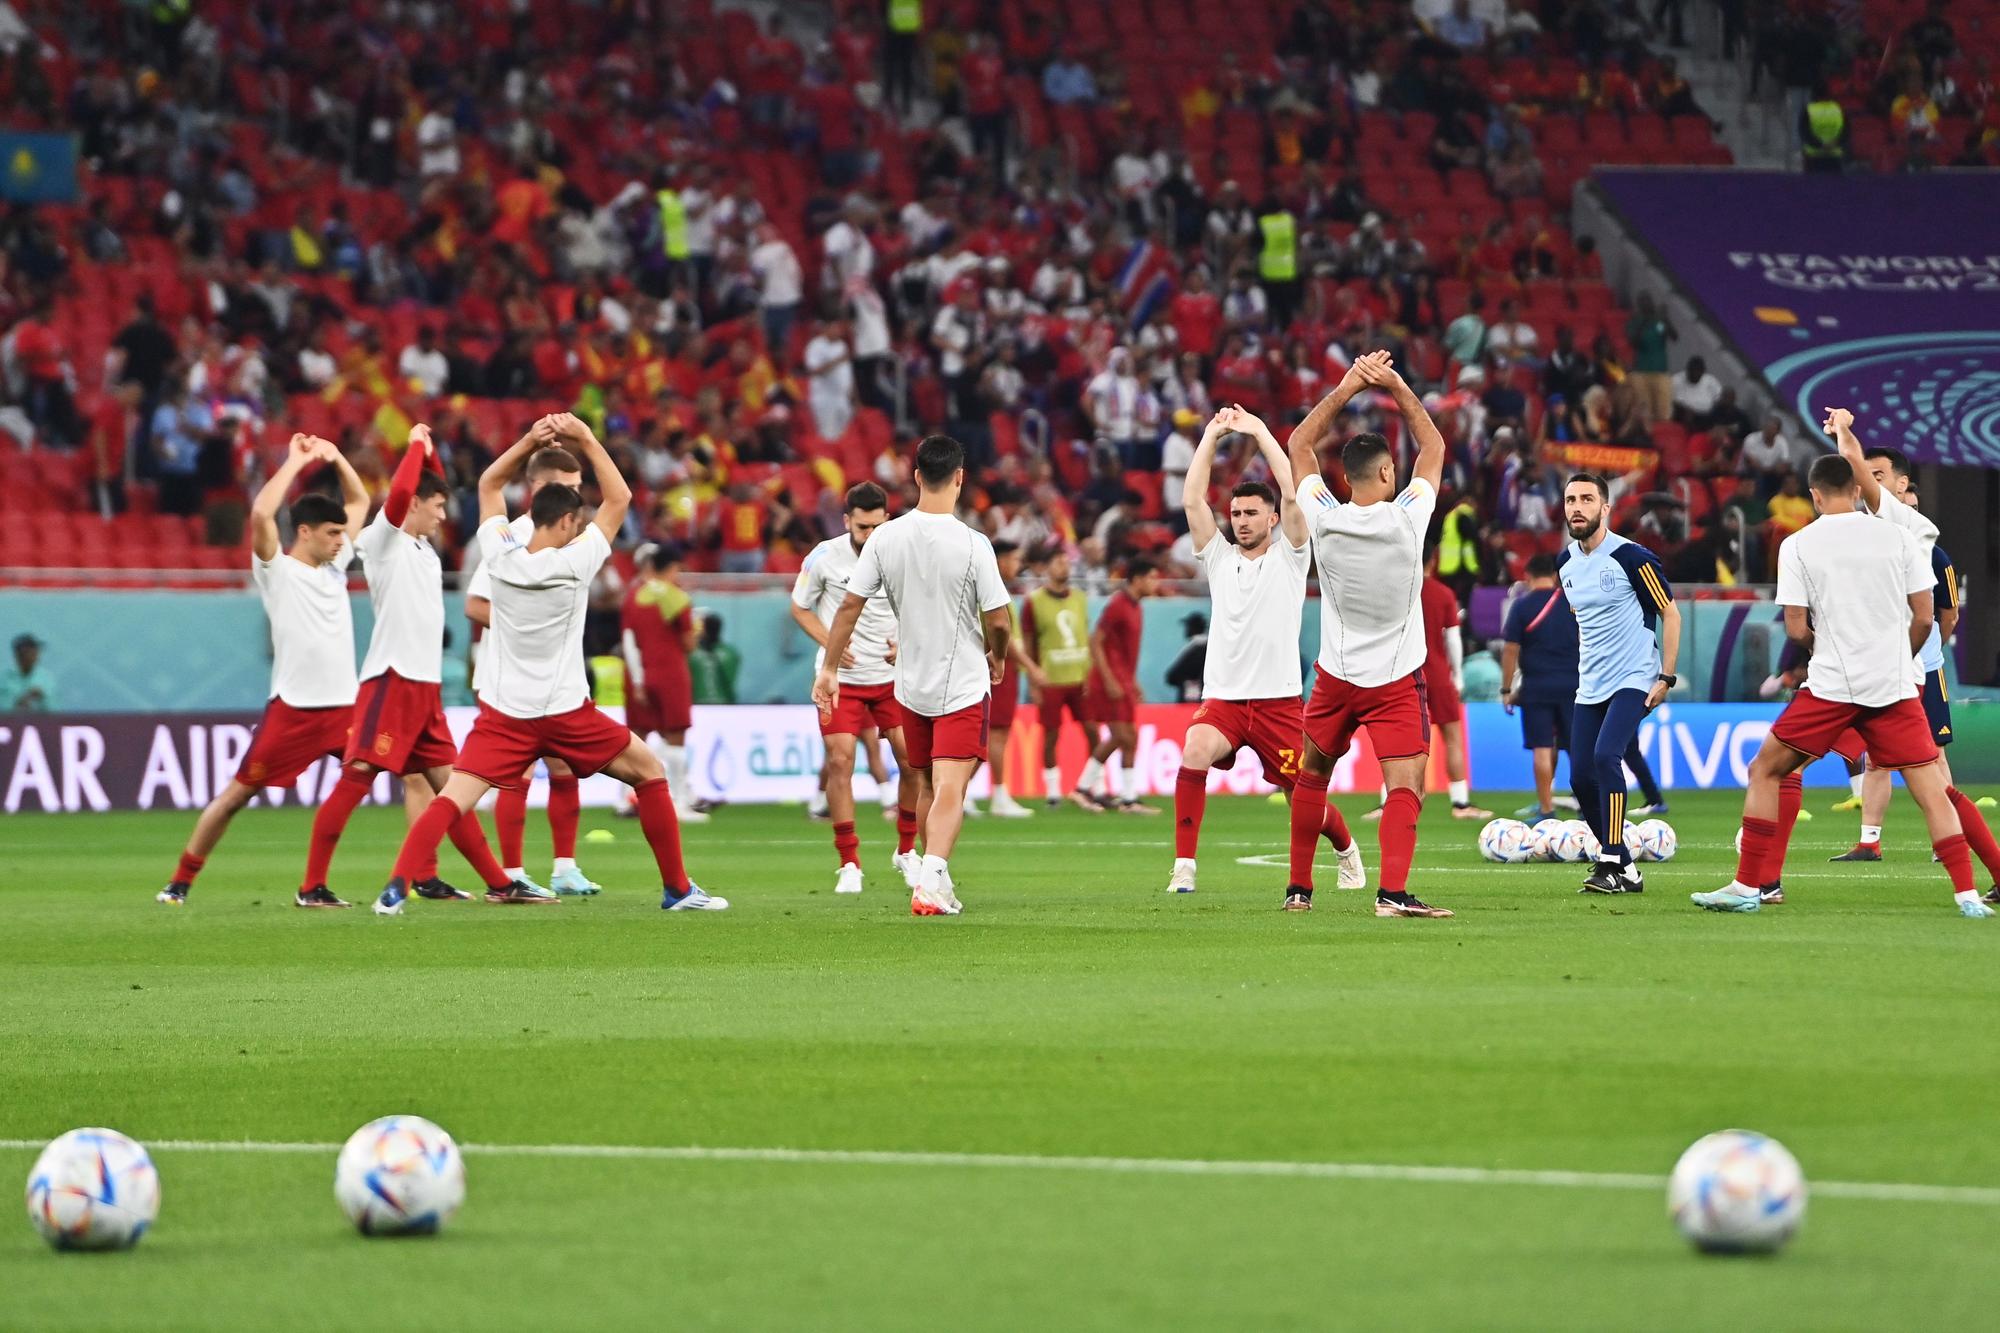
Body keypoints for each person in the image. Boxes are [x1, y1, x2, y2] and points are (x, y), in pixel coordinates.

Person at [375, 414, 725, 916]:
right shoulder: (576, 562)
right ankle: (677, 890)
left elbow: (489, 482)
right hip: (564, 710)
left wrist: (527, 441)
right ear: (565, 521)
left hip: (508, 713)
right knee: (648, 772)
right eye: (576, 521)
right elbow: (620, 499)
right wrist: (585, 437)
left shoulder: (498, 554)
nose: (579, 528)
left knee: (452, 797)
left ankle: (395, 889)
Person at [1693, 448, 1989, 918]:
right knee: (1933, 789)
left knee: (1767, 771)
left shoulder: (1798, 545)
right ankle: (1966, 894)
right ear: (1857, 491)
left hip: (1831, 686)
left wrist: (1825, 649)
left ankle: (1750, 884)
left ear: (1813, 496)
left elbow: (1793, 628)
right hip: (1893, 684)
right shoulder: (1899, 538)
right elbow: (1925, 617)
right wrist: (1898, 657)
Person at [295, 424, 522, 908]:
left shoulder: (423, 547)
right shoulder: (385, 539)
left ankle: (499, 883)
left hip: (425, 689)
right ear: (415, 505)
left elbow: (425, 486)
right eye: (436, 505)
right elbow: (401, 490)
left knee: (453, 791)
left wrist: (432, 456)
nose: (444, 514)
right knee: (356, 779)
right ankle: (311, 886)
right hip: (391, 681)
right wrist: (415, 444)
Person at [157, 435, 368, 906]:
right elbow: (260, 515)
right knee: (235, 797)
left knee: (413, 772)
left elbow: (359, 499)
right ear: (306, 531)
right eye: (332, 534)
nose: (342, 541)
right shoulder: (278, 570)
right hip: (293, 711)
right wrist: (294, 462)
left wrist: (337, 458)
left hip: (346, 708)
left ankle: (322, 885)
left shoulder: (337, 566)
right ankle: (181, 880)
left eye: (342, 534)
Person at [814, 434, 1012, 916]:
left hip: (908, 684)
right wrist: (999, 656)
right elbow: (1000, 619)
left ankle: (932, 877)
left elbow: (847, 608)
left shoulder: (884, 537)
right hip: (961, 682)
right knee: (950, 787)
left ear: (917, 477)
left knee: (925, 784)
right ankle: (931, 878)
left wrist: (829, 669)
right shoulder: (973, 544)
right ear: (960, 478)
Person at [1284, 351, 1453, 918]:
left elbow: (1299, 445)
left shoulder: (1323, 517)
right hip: (1394, 681)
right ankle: (1392, 895)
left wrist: (1348, 385)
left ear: (1344, 476)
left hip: (1334, 676)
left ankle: (1298, 891)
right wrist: (1396, 384)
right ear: (1387, 473)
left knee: (1312, 776)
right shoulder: (1408, 518)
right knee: (1406, 788)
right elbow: (1433, 449)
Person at [1168, 407, 1362, 895]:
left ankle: (1345, 847)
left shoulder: (1291, 556)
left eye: (1252, 512)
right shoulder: (1217, 557)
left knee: (1303, 797)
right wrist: (1212, 434)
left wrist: (1259, 429)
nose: (1241, 521)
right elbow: (1192, 498)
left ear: (1273, 518)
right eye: (1235, 513)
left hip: (1279, 702)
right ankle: (1184, 867)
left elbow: (1294, 491)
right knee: (1193, 749)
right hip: (1225, 701)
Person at [1822, 451, 2000, 898]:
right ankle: (1870, 841)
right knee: (1882, 759)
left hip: (1916, 668)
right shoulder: (1864, 537)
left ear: (1902, 486)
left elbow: (1942, 615)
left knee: (1930, 757)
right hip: (1880, 669)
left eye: (1878, 475)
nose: (1868, 482)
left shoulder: (1924, 543)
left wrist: (1917, 650)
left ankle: (1955, 847)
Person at [464, 444, 603, 896]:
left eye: (580, 489)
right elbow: (475, 604)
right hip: (511, 674)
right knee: (517, 773)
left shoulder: (572, 539)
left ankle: (564, 867)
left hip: (556, 674)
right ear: (541, 488)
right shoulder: (510, 536)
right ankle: (513, 871)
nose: (577, 502)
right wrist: (522, 623)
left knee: (564, 769)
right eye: (569, 489)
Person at [791, 482, 922, 894]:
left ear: (887, 519)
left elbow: (918, 608)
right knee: (840, 760)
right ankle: (849, 862)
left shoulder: (903, 556)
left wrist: (906, 641)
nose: (868, 535)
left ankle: (905, 850)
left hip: (891, 680)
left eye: (875, 526)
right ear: (847, 521)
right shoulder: (824, 557)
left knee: (913, 761)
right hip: (841, 680)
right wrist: (830, 642)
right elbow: (799, 606)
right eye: (861, 527)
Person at [1557, 472, 1682, 895]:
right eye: (1571, 499)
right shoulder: (1565, 564)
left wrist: (1665, 676)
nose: (1577, 506)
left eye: (1587, 499)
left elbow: (1671, 613)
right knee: (1578, 778)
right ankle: (1627, 867)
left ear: (1605, 508)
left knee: (1607, 755)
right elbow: (1582, 620)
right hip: (1590, 683)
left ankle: (1609, 860)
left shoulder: (1632, 557)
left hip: (1635, 677)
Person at [623, 542, 708, 827]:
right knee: (675, 737)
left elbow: (629, 639)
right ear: (672, 568)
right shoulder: (677, 598)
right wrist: (697, 632)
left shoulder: (635, 596)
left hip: (641, 674)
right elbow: (687, 643)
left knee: (638, 735)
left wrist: (637, 680)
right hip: (671, 673)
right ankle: (680, 801)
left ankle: (626, 797)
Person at [1077, 557, 1164, 814]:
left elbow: (1121, 649)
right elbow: (1096, 640)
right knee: (1121, 736)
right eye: (1151, 577)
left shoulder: (1136, 606)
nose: (1155, 583)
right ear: (1137, 579)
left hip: (1123, 680)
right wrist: (1108, 679)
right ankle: (1082, 789)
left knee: (1130, 737)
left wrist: (1132, 681)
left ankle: (1128, 798)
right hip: (1110, 681)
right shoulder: (1118, 604)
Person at [1421, 544, 1494, 821]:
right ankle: (1461, 803)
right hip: (1438, 674)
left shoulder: (1398, 591)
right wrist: (1458, 677)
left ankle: (1389, 801)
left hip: (1404, 674)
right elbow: (1452, 639)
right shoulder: (1443, 594)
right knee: (1452, 737)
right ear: (1434, 560)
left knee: (1399, 741)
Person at [1021, 548, 1098, 811]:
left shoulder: (1079, 598)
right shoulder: (1034, 602)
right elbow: (1029, 643)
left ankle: (1089, 786)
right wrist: (1033, 680)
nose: (1064, 567)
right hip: (1051, 680)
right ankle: (1053, 791)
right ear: (1046, 568)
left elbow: (1084, 635)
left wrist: (1090, 672)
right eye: (1058, 562)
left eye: (1066, 562)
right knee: (1052, 735)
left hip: (1078, 677)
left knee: (1093, 731)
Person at [975, 539, 1036, 819]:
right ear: (998, 561)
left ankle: (960, 792)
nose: (1017, 565)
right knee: (995, 735)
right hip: (997, 670)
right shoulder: (993, 594)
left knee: (987, 736)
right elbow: (1002, 636)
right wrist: (1031, 667)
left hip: (998, 670)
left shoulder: (995, 592)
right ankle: (998, 795)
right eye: (1013, 559)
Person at [2, 632, 55, 710]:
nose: (36, 654)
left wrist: (42, 697)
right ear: (18, 654)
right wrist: (17, 702)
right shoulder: (4, 678)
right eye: (30, 651)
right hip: (11, 721)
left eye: (36, 651)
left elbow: (56, 709)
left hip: (39, 721)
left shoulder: (47, 678)